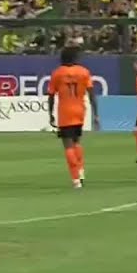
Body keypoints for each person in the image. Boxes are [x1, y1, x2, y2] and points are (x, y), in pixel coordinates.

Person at [48, 47, 99, 189]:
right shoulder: (84, 72)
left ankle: (75, 179)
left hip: (65, 112)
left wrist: (50, 113)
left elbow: (51, 95)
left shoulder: (57, 73)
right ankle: (81, 171)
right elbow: (92, 94)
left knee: (68, 144)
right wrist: (96, 113)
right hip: (79, 111)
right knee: (77, 141)